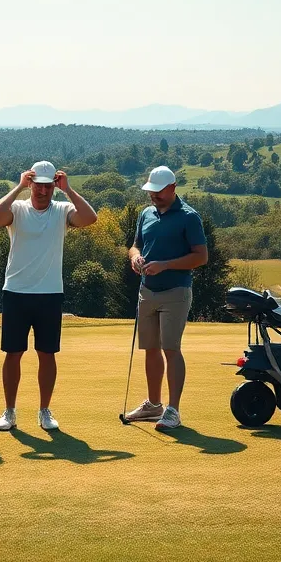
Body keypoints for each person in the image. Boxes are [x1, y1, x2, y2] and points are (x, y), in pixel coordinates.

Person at [0, 161, 97, 432]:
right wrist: (18, 187)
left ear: (54, 186)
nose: (43, 191)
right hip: (16, 291)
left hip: (49, 293)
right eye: (39, 185)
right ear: (31, 184)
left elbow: (90, 218)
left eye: (48, 186)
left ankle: (44, 410)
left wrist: (69, 189)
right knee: (13, 353)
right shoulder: (17, 208)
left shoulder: (62, 210)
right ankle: (10, 411)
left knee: (47, 354)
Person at [124, 165, 208, 431]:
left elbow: (200, 256)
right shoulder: (145, 214)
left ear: (172, 188)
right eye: (151, 192)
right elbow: (135, 245)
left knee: (170, 349)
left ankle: (173, 410)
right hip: (147, 290)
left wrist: (166, 265)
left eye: (158, 192)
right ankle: (154, 404)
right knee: (150, 348)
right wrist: (135, 257)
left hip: (176, 292)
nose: (153, 196)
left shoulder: (188, 217)